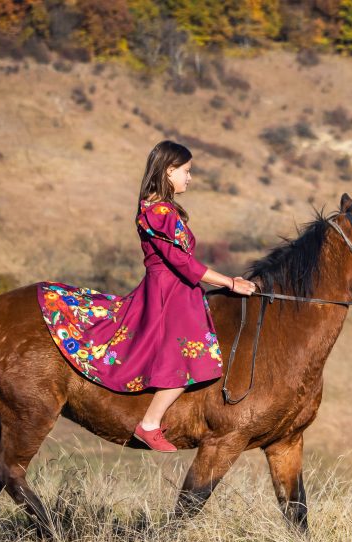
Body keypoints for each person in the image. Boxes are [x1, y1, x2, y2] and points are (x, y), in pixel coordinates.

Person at [36, 140, 256, 452]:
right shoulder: (158, 212)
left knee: (192, 355)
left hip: (180, 291)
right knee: (190, 357)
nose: (189, 178)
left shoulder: (162, 210)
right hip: (169, 294)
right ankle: (150, 423)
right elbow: (182, 261)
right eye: (186, 171)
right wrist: (230, 282)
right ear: (168, 171)